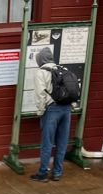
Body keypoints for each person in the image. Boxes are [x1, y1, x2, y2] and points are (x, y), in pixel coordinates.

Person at [31, 46, 71, 183]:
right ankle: (57, 173)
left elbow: (40, 95)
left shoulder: (40, 73)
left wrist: (41, 112)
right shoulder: (62, 69)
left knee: (47, 143)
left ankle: (42, 173)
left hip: (51, 110)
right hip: (66, 109)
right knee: (62, 142)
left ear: (40, 60)